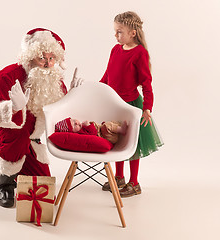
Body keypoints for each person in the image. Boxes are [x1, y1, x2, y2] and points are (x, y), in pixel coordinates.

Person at [0, 28, 83, 208]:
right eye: (42, 58)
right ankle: (4, 183)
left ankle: (4, 165)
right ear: (31, 57)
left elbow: (56, 120)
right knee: (18, 134)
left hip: (31, 140)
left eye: (51, 58)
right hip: (4, 133)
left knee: (42, 183)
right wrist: (14, 108)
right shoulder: (8, 76)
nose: (47, 64)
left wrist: (71, 97)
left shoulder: (55, 83)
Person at [100, 11, 163, 198]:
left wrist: (147, 109)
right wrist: (98, 89)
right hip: (115, 104)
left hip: (131, 106)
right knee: (116, 140)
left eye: (120, 32)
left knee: (132, 144)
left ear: (132, 33)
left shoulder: (139, 53)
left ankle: (134, 183)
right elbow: (108, 75)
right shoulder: (115, 49)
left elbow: (146, 83)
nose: (116, 35)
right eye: (115, 31)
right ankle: (119, 177)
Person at [54, 117, 128, 144]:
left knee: (109, 123)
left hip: (110, 133)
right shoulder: (80, 134)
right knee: (106, 126)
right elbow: (93, 134)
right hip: (108, 137)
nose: (76, 122)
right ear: (72, 132)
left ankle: (118, 128)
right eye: (73, 125)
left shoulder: (81, 127)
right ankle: (121, 130)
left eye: (74, 120)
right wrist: (89, 126)